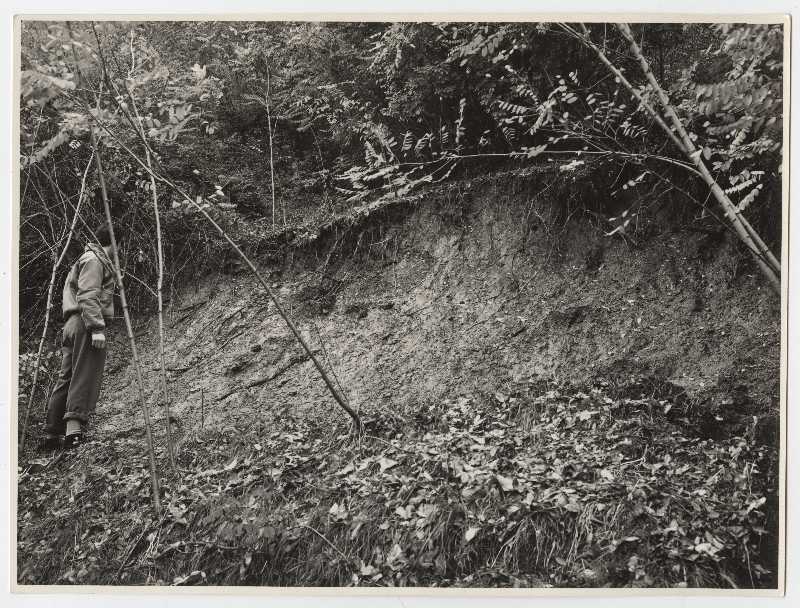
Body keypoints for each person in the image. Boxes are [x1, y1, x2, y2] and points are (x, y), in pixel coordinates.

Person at [40, 224, 118, 451]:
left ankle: (52, 435)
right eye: (119, 245)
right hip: (84, 323)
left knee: (66, 376)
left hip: (72, 324)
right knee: (83, 373)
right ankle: (73, 433)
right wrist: (96, 327)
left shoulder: (85, 259)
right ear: (114, 242)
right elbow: (87, 295)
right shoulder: (95, 260)